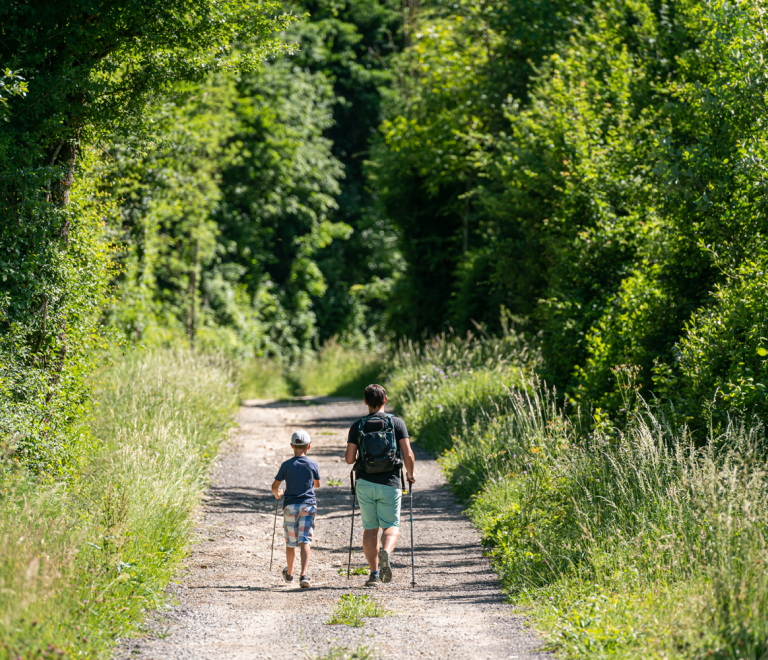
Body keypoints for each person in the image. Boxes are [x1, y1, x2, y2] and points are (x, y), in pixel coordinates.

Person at [345, 383, 415, 587]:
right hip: (390, 482)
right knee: (391, 526)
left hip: (365, 482)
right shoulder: (396, 423)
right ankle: (386, 551)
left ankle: (374, 574)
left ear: (365, 401)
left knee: (369, 529)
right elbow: (408, 454)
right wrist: (410, 475)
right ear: (385, 400)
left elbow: (350, 459)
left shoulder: (358, 425)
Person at [272, 430, 320, 589]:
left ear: (292, 446)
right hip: (308, 505)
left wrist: (278, 494)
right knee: (305, 540)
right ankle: (304, 575)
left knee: (291, 542)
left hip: (290, 506)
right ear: (309, 446)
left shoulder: (286, 465)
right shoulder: (313, 464)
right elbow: (317, 485)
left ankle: (290, 573)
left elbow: (275, 486)